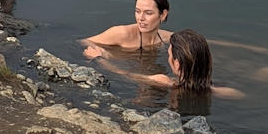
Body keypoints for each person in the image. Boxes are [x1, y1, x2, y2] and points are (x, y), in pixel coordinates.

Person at [84, 29, 242, 99]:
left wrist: (99, 58)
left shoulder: (165, 82)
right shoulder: (222, 91)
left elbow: (123, 74)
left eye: (169, 53)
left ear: (177, 65)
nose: (168, 55)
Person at [80, 0, 172, 53]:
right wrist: (100, 55)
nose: (141, 18)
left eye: (148, 13)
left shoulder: (168, 38)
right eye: (138, 11)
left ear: (163, 14)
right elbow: (83, 42)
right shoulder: (122, 34)